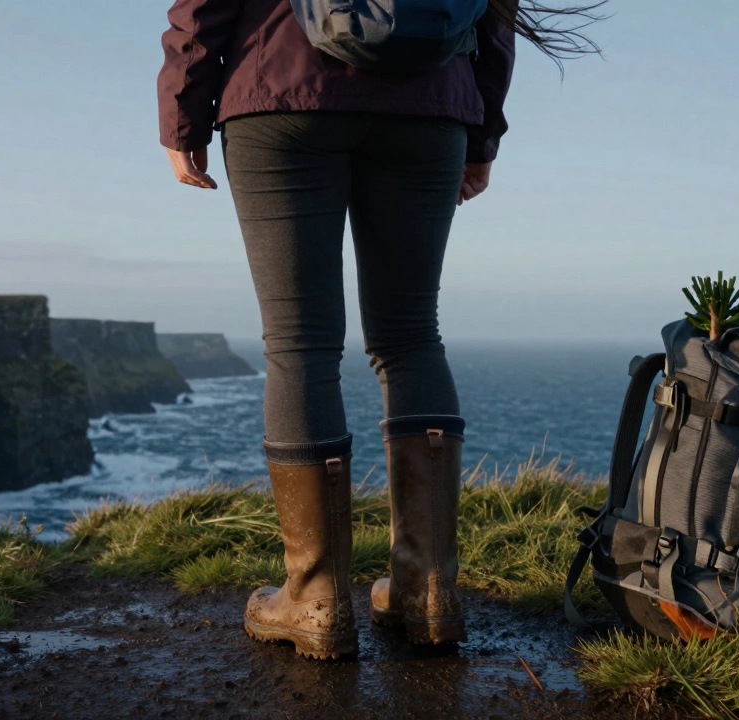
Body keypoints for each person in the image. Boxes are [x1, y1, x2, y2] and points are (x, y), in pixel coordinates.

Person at [158, 0, 598, 660]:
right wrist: (479, 134)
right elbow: (495, 17)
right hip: (430, 105)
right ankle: (427, 594)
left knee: (299, 345)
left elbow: (204, 5)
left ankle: (315, 600)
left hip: (280, 86)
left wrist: (181, 113)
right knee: (412, 335)